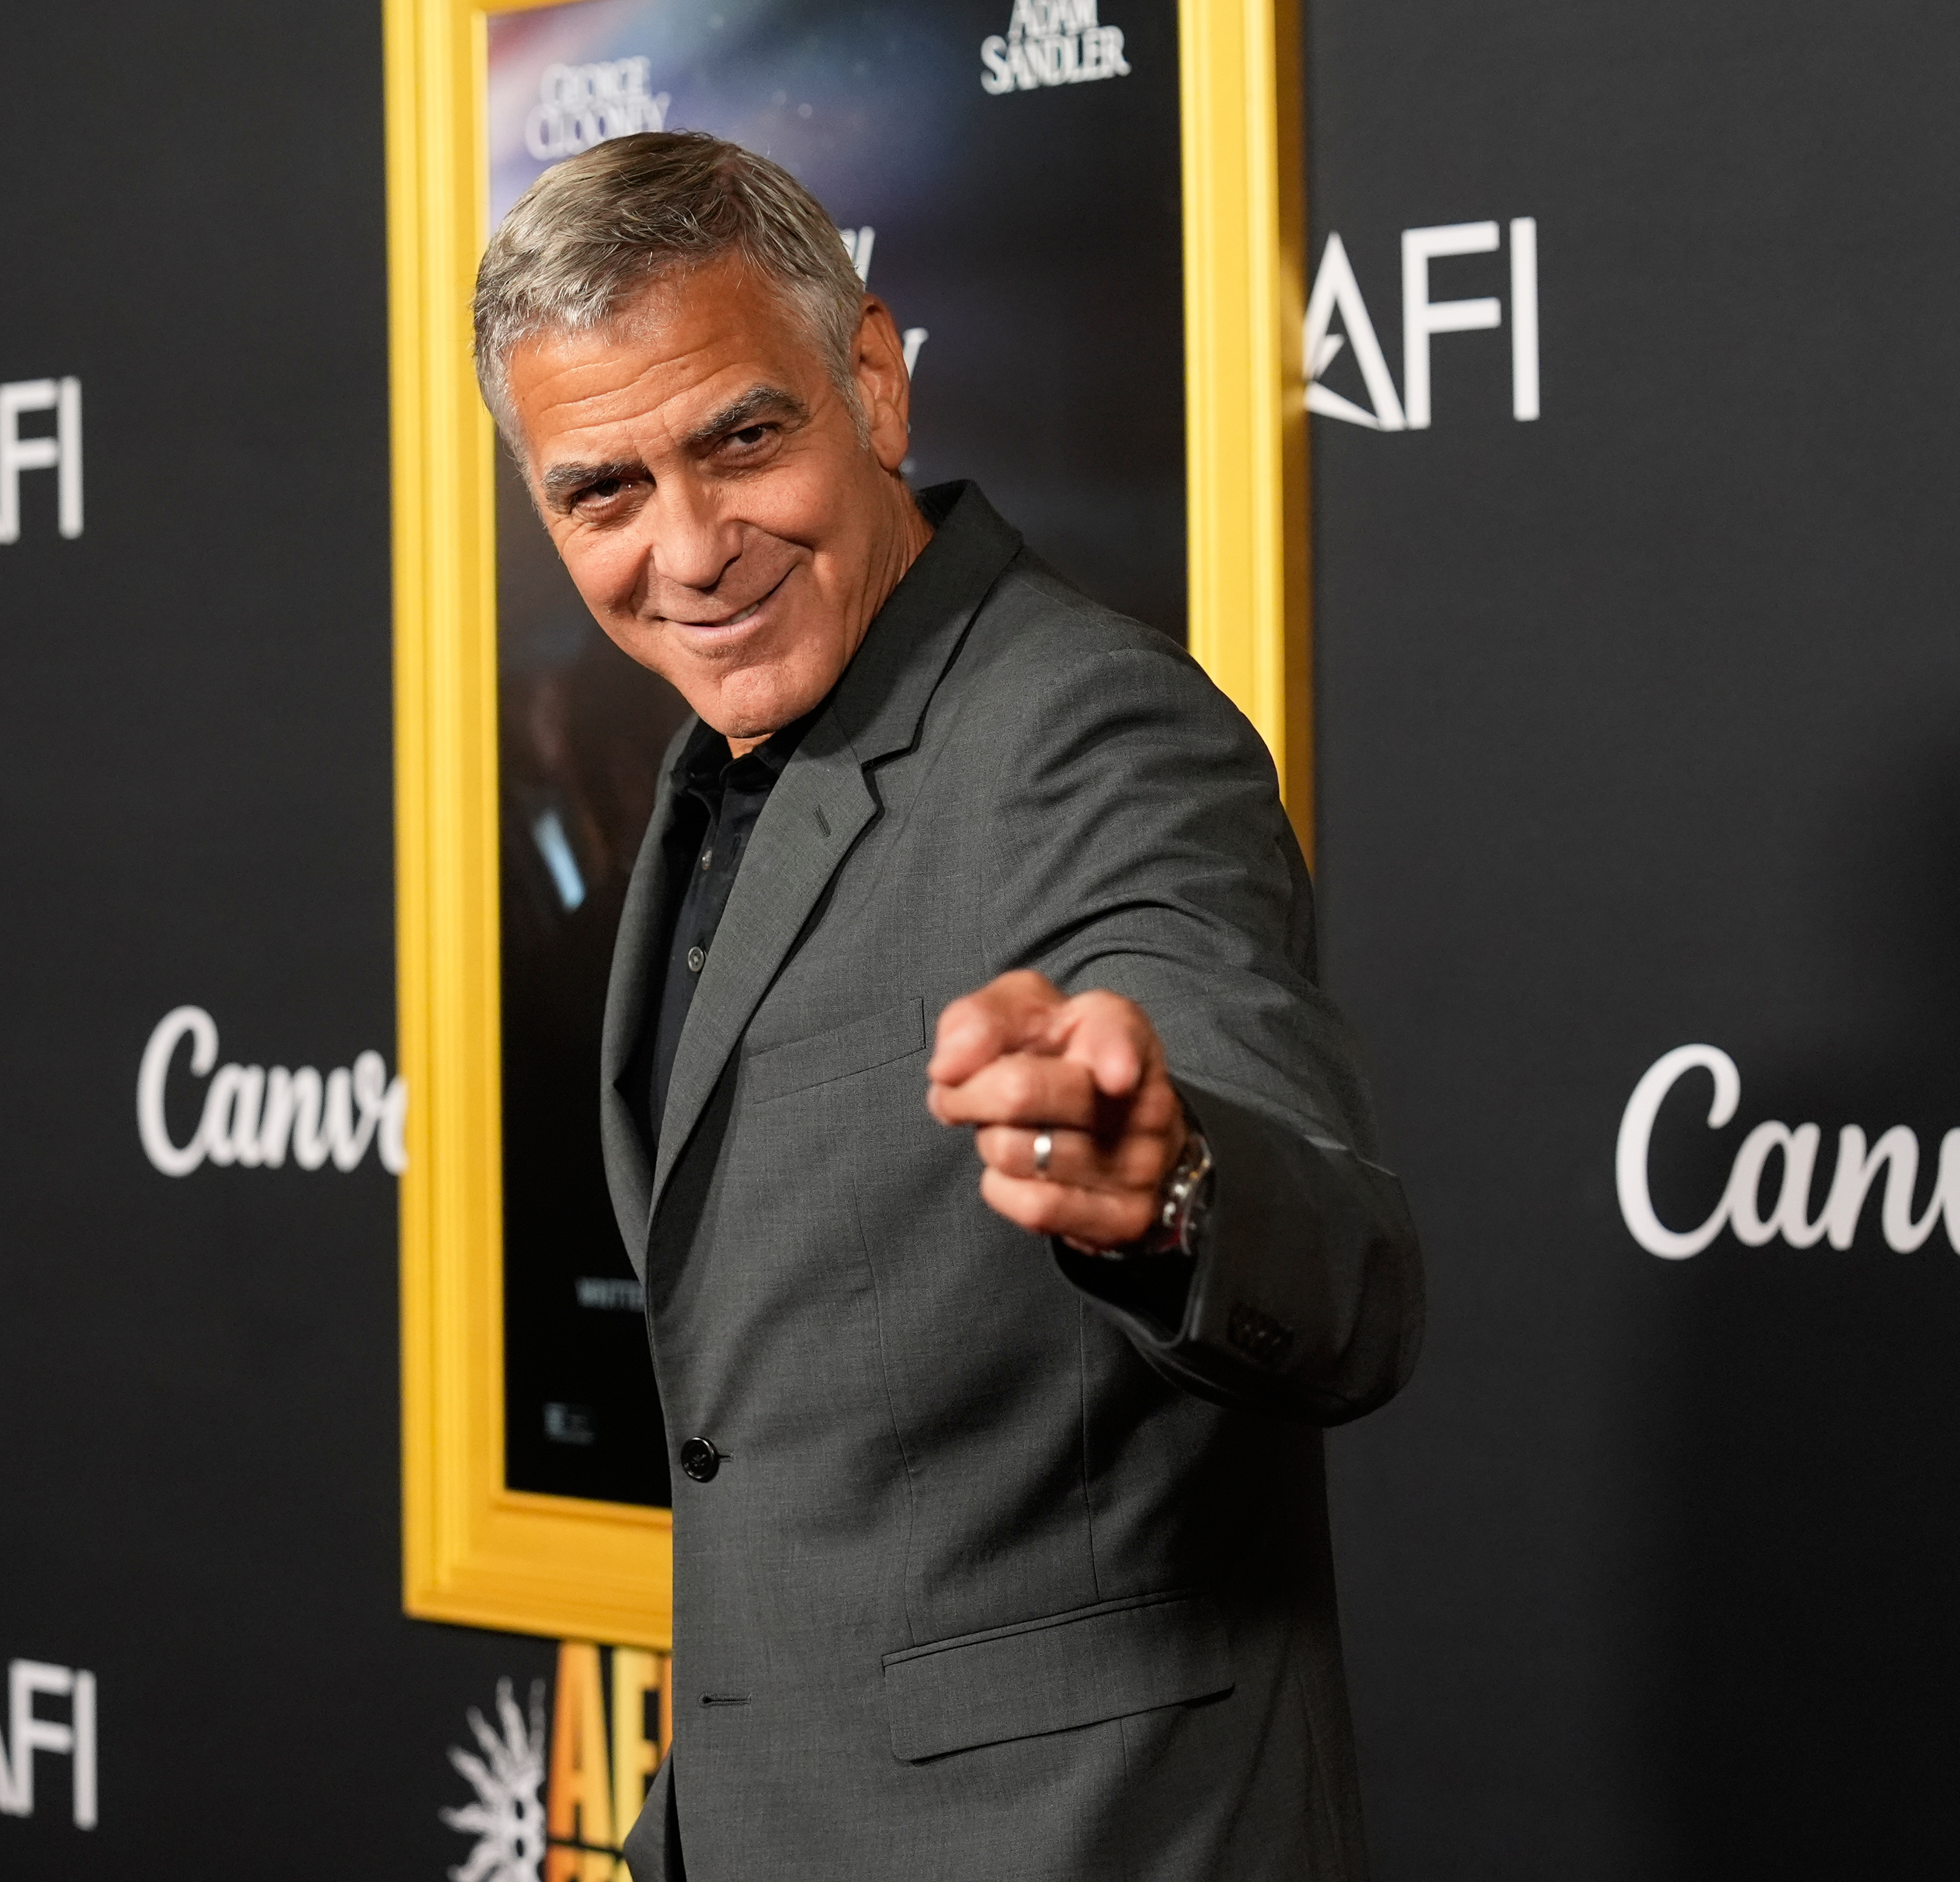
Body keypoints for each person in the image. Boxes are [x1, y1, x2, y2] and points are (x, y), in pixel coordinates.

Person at [474, 132, 1424, 1880]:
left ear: (875, 387)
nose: (687, 548)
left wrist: (1170, 1184)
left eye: (740, 439)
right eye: (602, 490)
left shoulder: (1088, 729)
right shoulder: (714, 767)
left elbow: (1345, 1265)